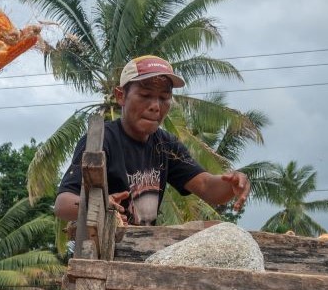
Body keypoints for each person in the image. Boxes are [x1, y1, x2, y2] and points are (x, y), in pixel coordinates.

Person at [54, 55, 251, 228]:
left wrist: (232, 184)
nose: (156, 106)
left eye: (164, 98)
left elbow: (207, 187)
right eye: (145, 95)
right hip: (105, 252)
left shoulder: (165, 145)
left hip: (143, 252)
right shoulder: (101, 140)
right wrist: (98, 206)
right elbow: (63, 204)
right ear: (121, 96)